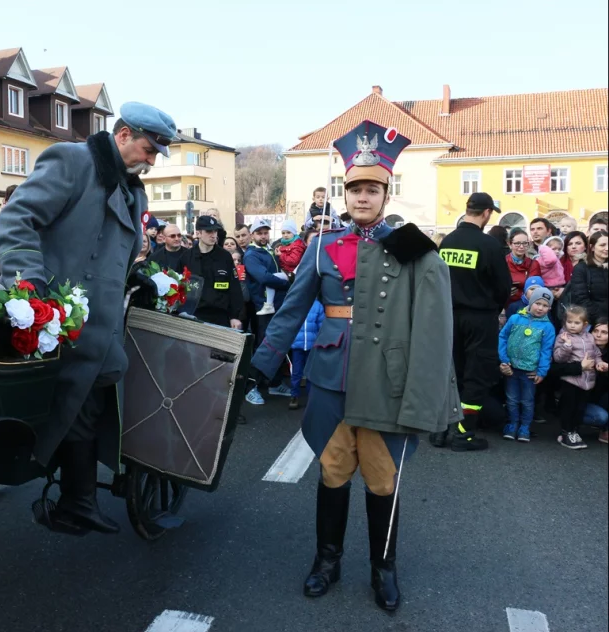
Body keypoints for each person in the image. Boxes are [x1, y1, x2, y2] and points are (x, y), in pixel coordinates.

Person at [250, 121, 458, 612]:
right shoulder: (323, 245)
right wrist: (262, 363)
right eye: (355, 189)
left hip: (385, 380)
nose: (363, 197)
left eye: (372, 189)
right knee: (332, 471)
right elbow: (293, 309)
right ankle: (327, 561)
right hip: (331, 376)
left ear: (385, 194)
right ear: (345, 194)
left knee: (384, 479)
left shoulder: (410, 247)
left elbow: (431, 320)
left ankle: (382, 569)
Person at [0, 101, 176, 536]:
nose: (151, 162)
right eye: (149, 150)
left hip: (96, 323)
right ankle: (77, 498)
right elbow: (18, 218)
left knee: (100, 385)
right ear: (125, 134)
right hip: (56, 317)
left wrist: (144, 277)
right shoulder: (73, 160)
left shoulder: (133, 189)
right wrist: (29, 288)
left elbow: (115, 253)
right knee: (81, 395)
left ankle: (78, 497)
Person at [429, 193, 512, 451]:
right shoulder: (489, 245)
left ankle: (441, 430)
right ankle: (463, 434)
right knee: (476, 376)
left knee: (451, 373)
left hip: (450, 317)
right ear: (487, 213)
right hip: (480, 319)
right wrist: (493, 308)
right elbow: (503, 287)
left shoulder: (448, 241)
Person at [498, 287, 556, 442]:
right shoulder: (515, 319)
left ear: (549, 308)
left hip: (529, 371)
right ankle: (512, 425)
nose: (540, 308)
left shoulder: (548, 327)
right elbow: (503, 336)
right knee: (511, 399)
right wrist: (504, 359)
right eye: (538, 303)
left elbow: (546, 350)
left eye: (545, 305)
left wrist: (542, 371)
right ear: (530, 302)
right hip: (511, 368)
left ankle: (524, 427)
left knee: (527, 401)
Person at [179, 215, 243, 329]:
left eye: (215, 231)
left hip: (219, 316)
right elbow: (179, 286)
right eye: (209, 231)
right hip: (194, 315)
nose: (213, 235)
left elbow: (235, 288)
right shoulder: (187, 257)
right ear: (198, 233)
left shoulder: (225, 256)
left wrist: (235, 316)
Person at [551, 305, 598, 449]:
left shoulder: (590, 337)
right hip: (571, 380)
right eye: (569, 322)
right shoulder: (563, 336)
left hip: (587, 381)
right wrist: (567, 346)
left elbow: (596, 354)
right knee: (568, 408)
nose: (572, 325)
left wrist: (600, 364)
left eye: (576, 323)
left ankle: (574, 431)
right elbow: (558, 358)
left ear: (585, 324)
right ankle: (566, 432)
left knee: (580, 409)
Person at [568, 231, 608, 323]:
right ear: (592, 247)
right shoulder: (581, 268)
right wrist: (601, 319)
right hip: (594, 321)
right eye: (602, 245)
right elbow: (581, 298)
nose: (607, 248)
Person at [584, 318, 608, 443]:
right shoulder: (581, 347)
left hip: (599, 399)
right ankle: (570, 426)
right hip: (579, 400)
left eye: (604, 332)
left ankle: (605, 431)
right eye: (596, 331)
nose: (599, 335)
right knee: (601, 417)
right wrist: (581, 367)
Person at [505, 228, 541, 305]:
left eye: (525, 243)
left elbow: (537, 287)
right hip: (505, 305)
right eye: (517, 243)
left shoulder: (534, 264)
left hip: (527, 306)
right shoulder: (502, 262)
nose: (521, 247)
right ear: (509, 244)